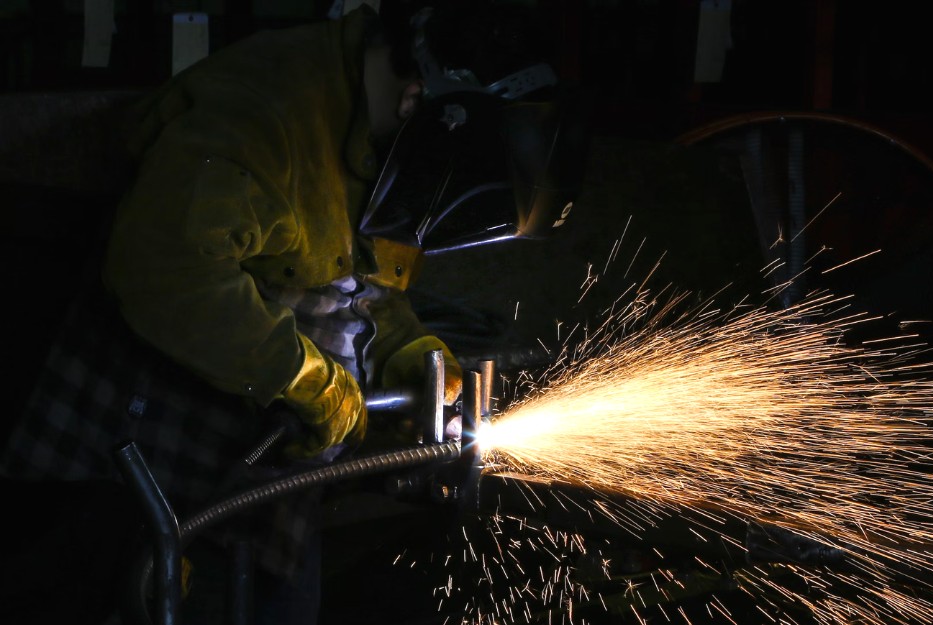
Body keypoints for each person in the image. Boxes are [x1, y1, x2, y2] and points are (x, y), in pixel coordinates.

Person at [0, 1, 586, 623]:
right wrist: (300, 377)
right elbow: (164, 270)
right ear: (422, 99)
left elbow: (364, 287)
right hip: (134, 456)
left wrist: (402, 350)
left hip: (260, 480)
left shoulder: (388, 134)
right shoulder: (264, 109)